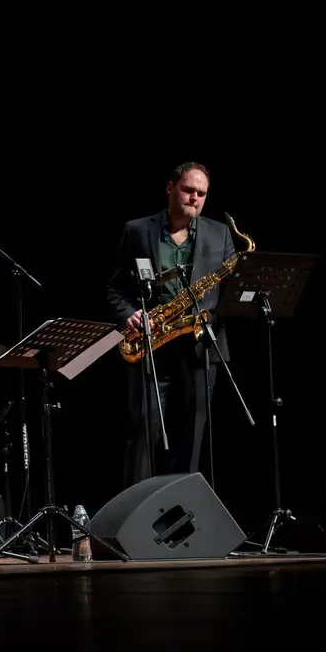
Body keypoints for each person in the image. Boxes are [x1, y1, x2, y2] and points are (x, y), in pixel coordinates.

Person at [106, 161, 235, 489]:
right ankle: (136, 511)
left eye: (201, 193)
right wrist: (129, 314)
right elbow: (116, 288)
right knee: (142, 433)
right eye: (188, 190)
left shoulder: (221, 233)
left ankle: (184, 509)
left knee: (193, 438)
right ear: (170, 188)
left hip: (200, 347)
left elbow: (230, 294)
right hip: (152, 342)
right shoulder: (137, 230)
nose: (195, 198)